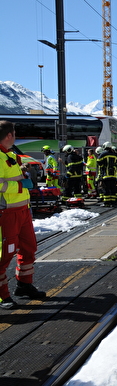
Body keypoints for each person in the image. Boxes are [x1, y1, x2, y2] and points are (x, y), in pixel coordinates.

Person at [0, 120, 45, 309]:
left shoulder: (9, 155)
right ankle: (3, 296)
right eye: (15, 133)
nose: (16, 136)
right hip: (6, 213)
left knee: (29, 248)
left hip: (21, 211)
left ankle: (24, 285)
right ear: (9, 135)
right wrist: (20, 185)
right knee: (4, 254)